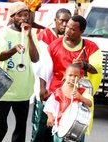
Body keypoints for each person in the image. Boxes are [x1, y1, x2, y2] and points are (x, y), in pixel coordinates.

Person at [38, 15, 103, 141]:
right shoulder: (54, 45)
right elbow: (43, 68)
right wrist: (42, 88)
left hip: (77, 97)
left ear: (82, 31)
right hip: (56, 94)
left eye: (73, 29)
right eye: (67, 27)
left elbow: (97, 69)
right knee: (49, 133)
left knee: (75, 133)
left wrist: (84, 65)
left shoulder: (91, 47)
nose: (67, 31)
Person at [0, 2, 39, 142]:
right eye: (20, 15)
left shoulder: (31, 33)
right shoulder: (4, 32)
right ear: (13, 16)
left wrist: (29, 36)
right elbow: (1, 56)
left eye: (26, 15)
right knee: (0, 125)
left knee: (21, 127)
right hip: (5, 87)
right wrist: (14, 49)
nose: (23, 18)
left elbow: (35, 59)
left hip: (23, 89)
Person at [31, 8, 72, 142]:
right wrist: (42, 88)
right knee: (41, 127)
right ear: (55, 20)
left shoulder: (69, 37)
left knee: (56, 127)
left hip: (61, 90)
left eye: (68, 22)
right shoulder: (45, 36)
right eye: (62, 21)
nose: (65, 25)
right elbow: (40, 65)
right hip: (46, 87)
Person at [44, 63, 92, 142]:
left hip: (76, 129)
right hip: (60, 127)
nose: (73, 78)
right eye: (70, 75)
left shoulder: (82, 91)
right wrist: (50, 116)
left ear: (80, 77)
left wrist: (80, 97)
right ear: (65, 76)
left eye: (76, 76)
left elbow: (90, 103)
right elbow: (49, 105)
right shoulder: (59, 91)